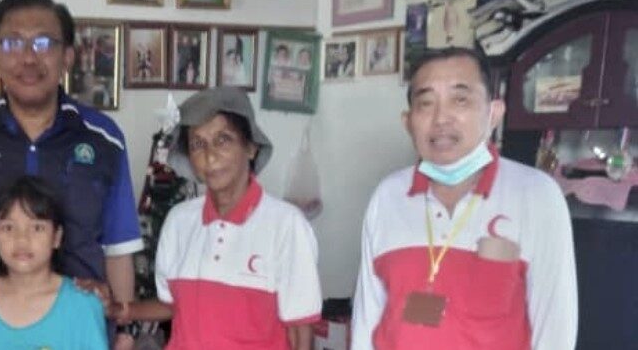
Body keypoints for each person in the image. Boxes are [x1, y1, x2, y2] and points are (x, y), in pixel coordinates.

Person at [0, 0, 143, 346]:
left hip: (79, 329)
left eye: (43, 43)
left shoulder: (102, 138)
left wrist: (125, 332)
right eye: (13, 43)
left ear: (67, 57)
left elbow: (119, 245)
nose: (29, 58)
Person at [351, 47, 577, 350]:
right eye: (426, 103)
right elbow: (366, 316)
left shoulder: (536, 195)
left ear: (493, 113)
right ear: (408, 122)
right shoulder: (387, 196)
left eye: (460, 99)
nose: (441, 118)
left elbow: (554, 328)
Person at [108, 87, 321, 349]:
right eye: (198, 144)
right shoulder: (179, 221)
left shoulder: (287, 225)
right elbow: (173, 304)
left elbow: (300, 330)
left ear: (251, 148)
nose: (210, 156)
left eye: (223, 140)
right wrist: (123, 310)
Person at [0, 176, 108, 349]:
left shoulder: (83, 305)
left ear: (56, 237)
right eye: (8, 227)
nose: (22, 240)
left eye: (37, 228)